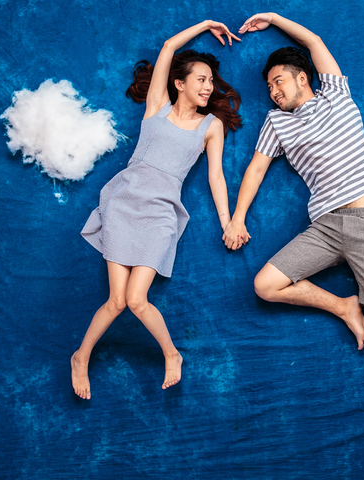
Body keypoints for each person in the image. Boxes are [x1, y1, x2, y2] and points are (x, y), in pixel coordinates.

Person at [223, 13, 364, 433]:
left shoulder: (335, 93)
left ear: (303, 78)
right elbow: (256, 169)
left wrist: (273, 18)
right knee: (265, 285)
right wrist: (237, 218)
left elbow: (315, 41)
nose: (273, 91)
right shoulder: (276, 122)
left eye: (278, 81)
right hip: (326, 228)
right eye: (269, 87)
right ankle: (343, 306)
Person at [71, 20, 242, 399]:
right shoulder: (157, 107)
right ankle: (80, 357)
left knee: (136, 300)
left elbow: (216, 177)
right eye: (201, 80)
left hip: (161, 213)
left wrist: (228, 222)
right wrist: (206, 25)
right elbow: (167, 48)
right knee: (117, 301)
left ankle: (172, 354)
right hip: (124, 204)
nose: (208, 87)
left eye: (211, 81)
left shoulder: (211, 125)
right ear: (179, 84)